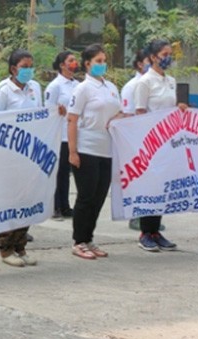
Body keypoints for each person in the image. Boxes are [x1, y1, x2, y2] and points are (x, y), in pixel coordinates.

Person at [66, 44, 123, 260]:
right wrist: (73, 151)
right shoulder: (83, 89)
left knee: (99, 197)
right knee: (86, 196)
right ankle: (78, 240)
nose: (102, 64)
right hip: (87, 147)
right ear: (87, 64)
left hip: (106, 149)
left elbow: (117, 114)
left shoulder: (110, 87)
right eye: (98, 61)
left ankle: (89, 238)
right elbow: (72, 119)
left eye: (104, 60)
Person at [0, 48, 42, 267]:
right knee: (10, 202)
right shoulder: (4, 90)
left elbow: (42, 114)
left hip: (31, 153)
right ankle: (6, 248)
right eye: (24, 67)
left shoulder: (36, 87)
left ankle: (21, 246)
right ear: (13, 69)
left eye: (31, 66)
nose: (28, 71)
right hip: (10, 153)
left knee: (27, 200)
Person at [134, 39, 187, 252]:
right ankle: (145, 232)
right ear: (154, 57)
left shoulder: (170, 81)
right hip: (151, 142)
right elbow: (140, 113)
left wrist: (180, 107)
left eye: (169, 53)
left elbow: (172, 108)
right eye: (164, 54)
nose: (168, 57)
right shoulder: (144, 82)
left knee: (163, 188)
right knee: (150, 187)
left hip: (169, 143)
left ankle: (156, 230)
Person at [44, 51, 79, 220]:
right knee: (58, 172)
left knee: (66, 173)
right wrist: (57, 112)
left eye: (75, 60)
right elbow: (48, 111)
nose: (74, 63)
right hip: (59, 134)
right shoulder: (55, 86)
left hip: (72, 134)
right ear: (62, 65)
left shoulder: (77, 84)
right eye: (71, 60)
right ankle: (55, 206)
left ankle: (65, 205)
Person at [121, 48, 151, 232]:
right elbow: (127, 116)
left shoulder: (156, 83)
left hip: (153, 140)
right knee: (137, 179)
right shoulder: (131, 87)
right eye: (149, 61)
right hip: (136, 139)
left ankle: (149, 217)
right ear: (140, 63)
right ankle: (135, 215)